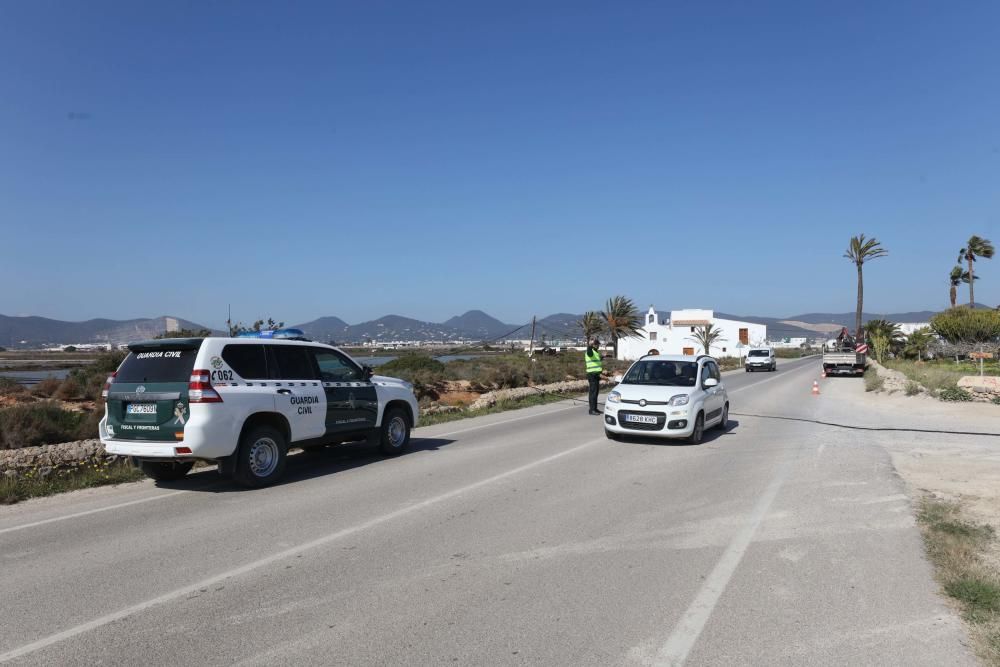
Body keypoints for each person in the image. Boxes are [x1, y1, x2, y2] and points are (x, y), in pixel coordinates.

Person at [585, 338, 603, 415]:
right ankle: (592, 410)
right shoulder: (590, 351)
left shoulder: (596, 352)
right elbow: (589, 353)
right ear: (594, 345)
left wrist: (603, 357)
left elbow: (597, 360)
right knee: (593, 393)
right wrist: (590, 344)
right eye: (598, 344)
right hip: (592, 375)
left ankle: (595, 409)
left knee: (595, 393)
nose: (598, 346)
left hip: (596, 374)